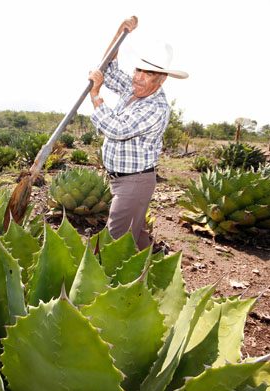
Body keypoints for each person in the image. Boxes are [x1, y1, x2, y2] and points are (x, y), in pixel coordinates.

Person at [88, 16, 188, 250]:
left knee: (114, 241)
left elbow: (117, 129)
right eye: (138, 70)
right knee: (137, 236)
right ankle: (151, 273)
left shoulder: (155, 106)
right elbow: (108, 69)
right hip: (121, 180)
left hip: (135, 182)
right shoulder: (133, 89)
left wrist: (96, 97)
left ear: (161, 79)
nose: (138, 77)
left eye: (148, 73)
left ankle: (111, 282)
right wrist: (119, 33)